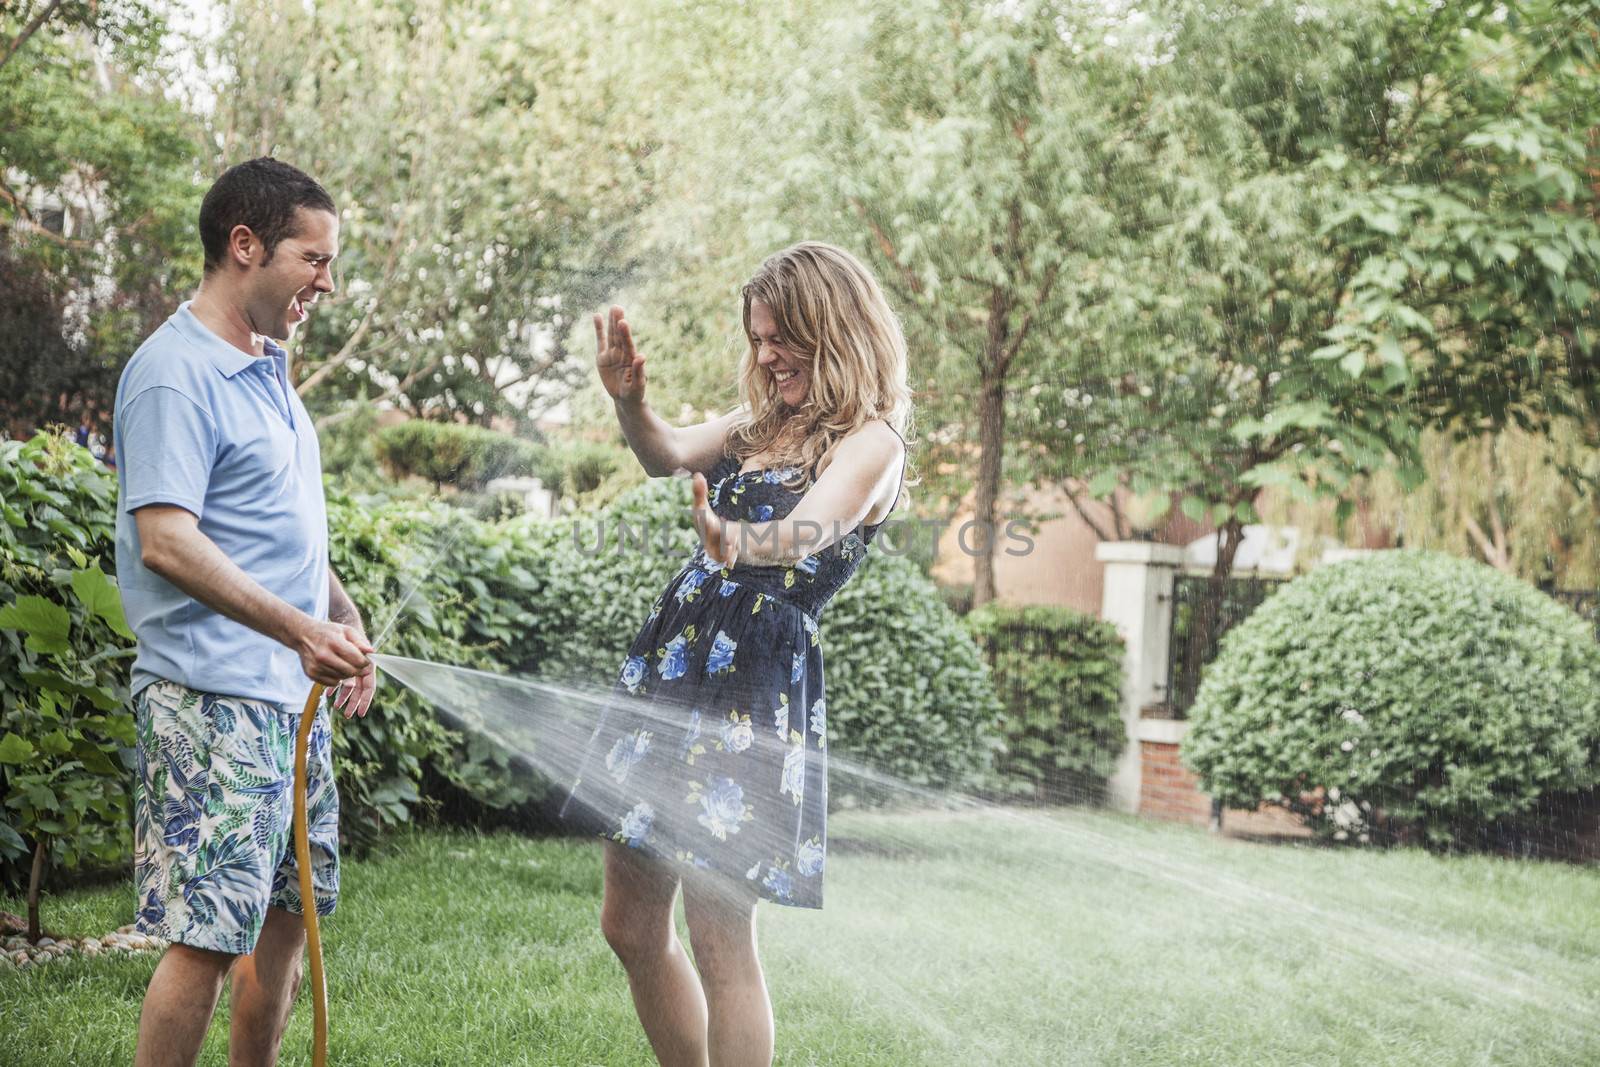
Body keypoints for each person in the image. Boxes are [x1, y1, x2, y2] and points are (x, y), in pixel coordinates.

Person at [566, 241, 912, 1067]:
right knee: (630, 922)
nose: (766, 355)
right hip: (675, 662)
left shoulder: (871, 442)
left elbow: (808, 531)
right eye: (758, 338)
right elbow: (665, 453)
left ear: (836, 329)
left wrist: (735, 538)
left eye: (782, 337)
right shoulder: (760, 423)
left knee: (719, 936)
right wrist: (629, 402)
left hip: (750, 685)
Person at [113, 157, 378, 1067]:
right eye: (314, 258)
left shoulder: (266, 369)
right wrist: (303, 631)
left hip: (285, 701)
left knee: (284, 926)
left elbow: (280, 528)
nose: (327, 282)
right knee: (207, 935)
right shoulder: (172, 374)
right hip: (210, 697)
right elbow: (168, 540)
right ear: (245, 245)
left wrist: (339, 616)